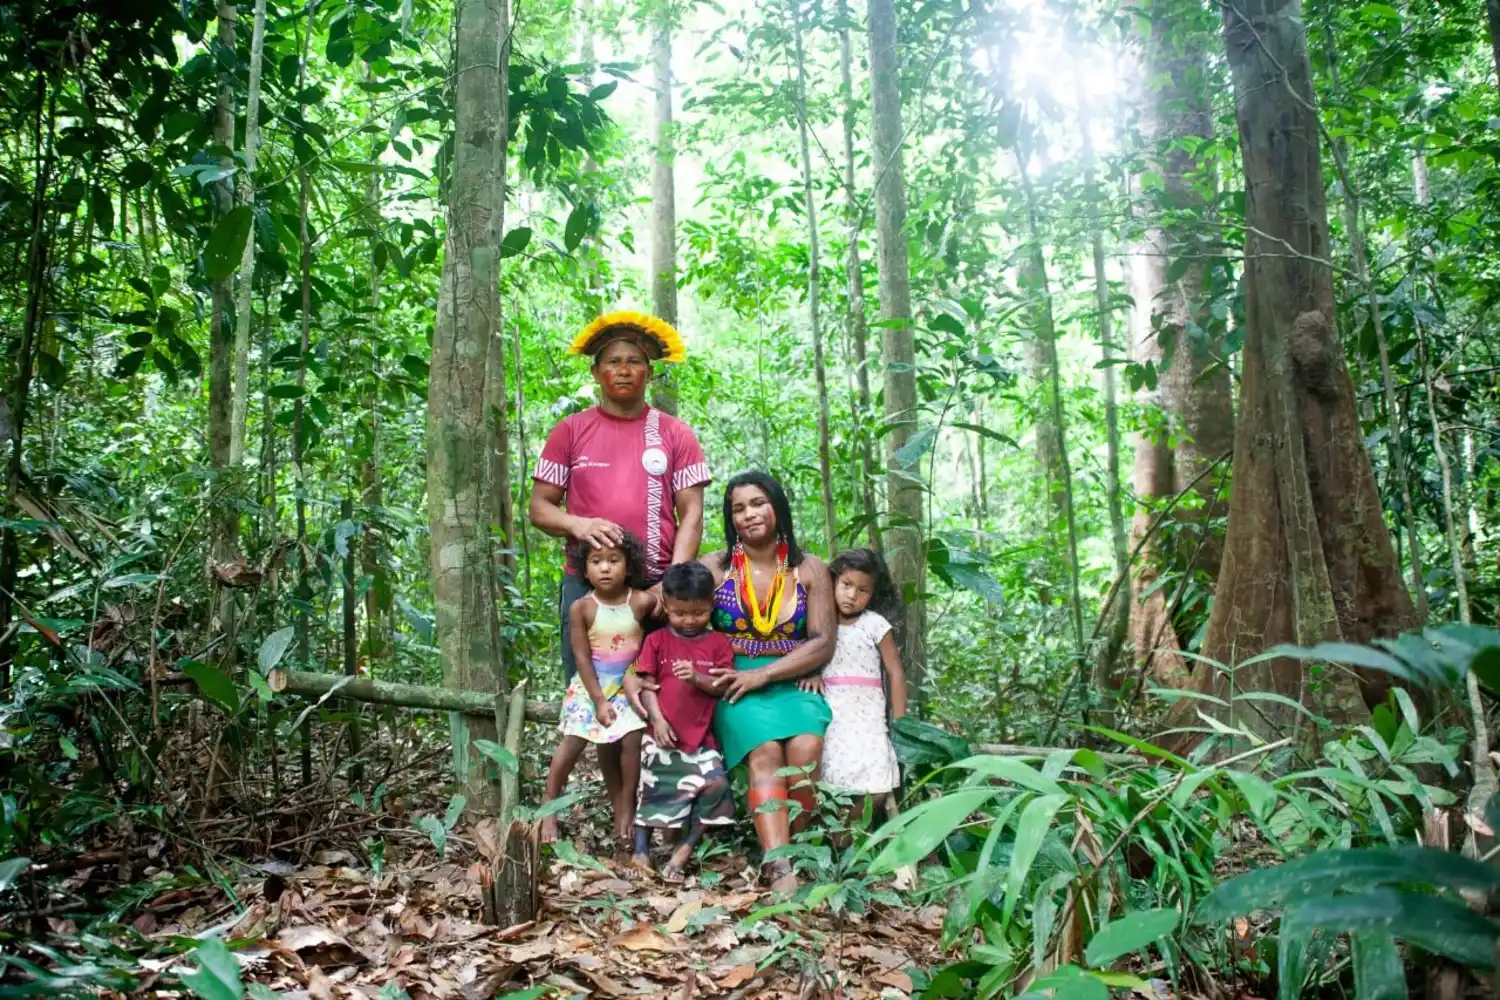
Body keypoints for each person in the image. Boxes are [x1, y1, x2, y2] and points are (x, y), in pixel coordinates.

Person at [529, 311, 711, 683]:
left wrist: (673, 581)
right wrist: (578, 524)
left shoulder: (677, 434)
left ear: (649, 372)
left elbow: (691, 514)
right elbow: (539, 508)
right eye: (614, 362)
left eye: (634, 362)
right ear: (596, 373)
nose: (624, 370)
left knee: (660, 690)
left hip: (657, 584)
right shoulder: (569, 431)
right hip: (588, 585)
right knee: (589, 691)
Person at [702, 471, 835, 895]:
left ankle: (789, 849)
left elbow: (822, 642)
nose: (749, 514)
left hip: (792, 676)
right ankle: (779, 869)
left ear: (777, 505)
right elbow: (677, 611)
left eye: (758, 503)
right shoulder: (715, 567)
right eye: (738, 508)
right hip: (735, 680)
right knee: (765, 753)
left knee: (805, 749)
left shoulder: (809, 568)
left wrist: (768, 672)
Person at [540, 533, 659, 851]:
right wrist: (598, 700)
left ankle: (625, 813)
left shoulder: (641, 601)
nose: (605, 568)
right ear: (585, 569)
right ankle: (549, 802)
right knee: (573, 742)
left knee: (633, 739)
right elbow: (580, 657)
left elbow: (670, 606)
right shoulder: (583, 608)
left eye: (613, 560)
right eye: (596, 562)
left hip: (625, 688)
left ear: (628, 566)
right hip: (590, 688)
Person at [627, 561, 737, 883]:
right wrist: (657, 721)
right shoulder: (657, 640)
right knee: (650, 789)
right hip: (661, 733)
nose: (689, 621)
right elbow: (646, 686)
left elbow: (722, 685)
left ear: (711, 605)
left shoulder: (717, 644)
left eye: (699, 613)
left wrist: (698, 678)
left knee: (716, 786)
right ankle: (641, 850)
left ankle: (686, 848)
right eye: (679, 613)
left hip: (701, 737)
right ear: (666, 605)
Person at [809, 548, 907, 805]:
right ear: (833, 581)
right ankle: (842, 840)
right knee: (835, 778)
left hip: (869, 713)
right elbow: (805, 654)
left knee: (876, 784)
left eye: (862, 590)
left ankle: (857, 836)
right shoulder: (820, 621)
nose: (852, 595)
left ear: (873, 594)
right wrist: (813, 673)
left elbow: (895, 673)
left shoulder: (874, 624)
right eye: (846, 585)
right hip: (832, 710)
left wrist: (900, 720)